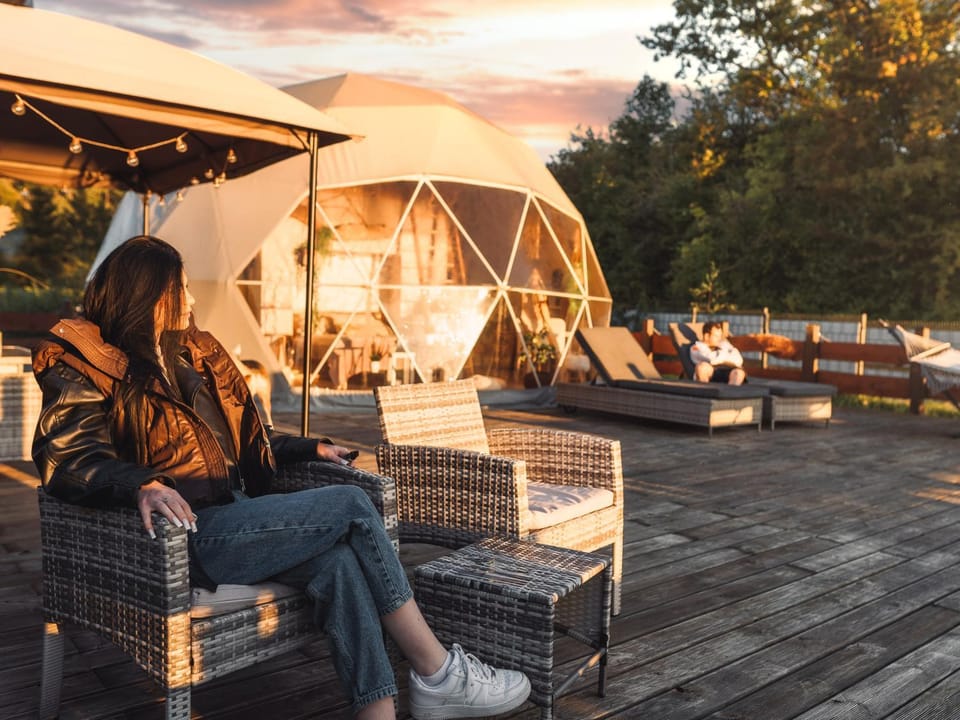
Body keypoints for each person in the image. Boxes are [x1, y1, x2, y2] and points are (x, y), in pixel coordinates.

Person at [31, 236, 530, 720]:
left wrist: (308, 447)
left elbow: (243, 437)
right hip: (183, 536)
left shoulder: (184, 357)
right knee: (352, 503)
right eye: (182, 288)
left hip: (235, 515)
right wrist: (139, 482)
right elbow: (68, 456)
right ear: (152, 294)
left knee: (339, 565)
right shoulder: (86, 363)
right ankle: (437, 671)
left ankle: (378, 711)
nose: (193, 299)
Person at [690, 321, 746, 385]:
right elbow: (711, 359)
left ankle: (731, 391)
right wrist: (727, 355)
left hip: (728, 371)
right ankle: (705, 390)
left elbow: (739, 360)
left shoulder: (724, 344)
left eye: (720, 336)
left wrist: (719, 356)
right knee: (702, 368)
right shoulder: (697, 347)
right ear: (707, 336)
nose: (719, 339)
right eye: (716, 336)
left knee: (738, 373)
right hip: (711, 372)